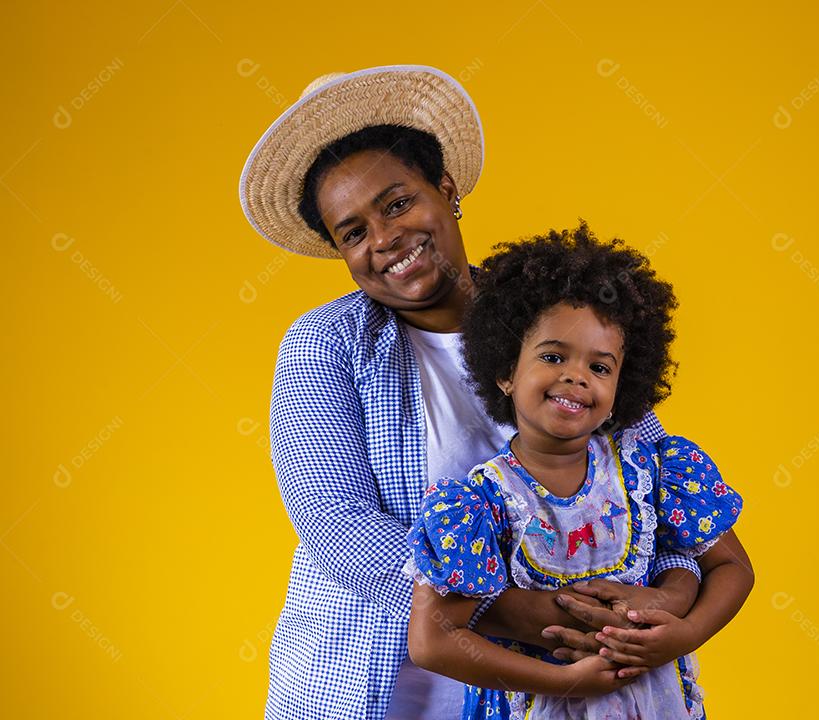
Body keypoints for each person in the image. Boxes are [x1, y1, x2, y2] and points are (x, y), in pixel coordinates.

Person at [239, 66, 718, 720]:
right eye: (353, 232)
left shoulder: (558, 316)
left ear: (446, 188)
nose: (383, 240)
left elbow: (653, 487)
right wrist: (531, 613)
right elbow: (336, 523)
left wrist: (670, 591)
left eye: (398, 203)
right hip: (373, 688)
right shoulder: (326, 345)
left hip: (564, 692)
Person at [405, 223, 754, 719]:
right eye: (552, 356)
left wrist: (685, 632)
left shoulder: (649, 469)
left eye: (600, 367)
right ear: (505, 370)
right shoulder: (479, 503)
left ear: (622, 388)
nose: (576, 376)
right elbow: (433, 641)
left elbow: (734, 568)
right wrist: (565, 681)